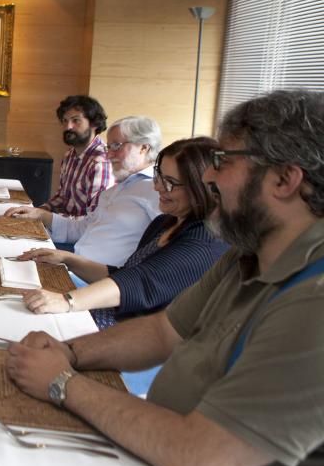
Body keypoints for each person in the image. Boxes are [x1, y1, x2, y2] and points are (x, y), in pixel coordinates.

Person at [5, 89, 324, 466]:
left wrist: (62, 382)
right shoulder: (249, 252)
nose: (209, 175)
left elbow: (198, 457)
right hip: (154, 450)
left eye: (223, 161)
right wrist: (68, 352)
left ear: (284, 179)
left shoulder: (314, 302)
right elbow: (162, 330)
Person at [22, 137, 229, 328]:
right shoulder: (164, 222)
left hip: (133, 335)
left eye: (170, 183)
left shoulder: (206, 241)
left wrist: (66, 301)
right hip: (110, 314)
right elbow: (125, 274)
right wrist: (67, 259)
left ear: (203, 187)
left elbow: (140, 283)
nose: (157, 188)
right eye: (159, 177)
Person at [6, 116, 162, 266]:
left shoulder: (156, 191)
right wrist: (41, 215)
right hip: (75, 263)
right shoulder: (116, 189)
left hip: (100, 282)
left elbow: (165, 252)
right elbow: (85, 228)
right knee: (10, 248)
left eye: (116, 146)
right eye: (109, 147)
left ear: (143, 147)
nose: (108, 154)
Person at [41, 95, 113, 216]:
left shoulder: (101, 162)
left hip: (84, 233)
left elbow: (94, 218)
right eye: (65, 121)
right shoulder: (69, 155)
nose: (68, 127)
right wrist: (41, 209)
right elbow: (62, 198)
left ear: (94, 123)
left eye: (76, 120)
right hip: (64, 227)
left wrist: (48, 217)